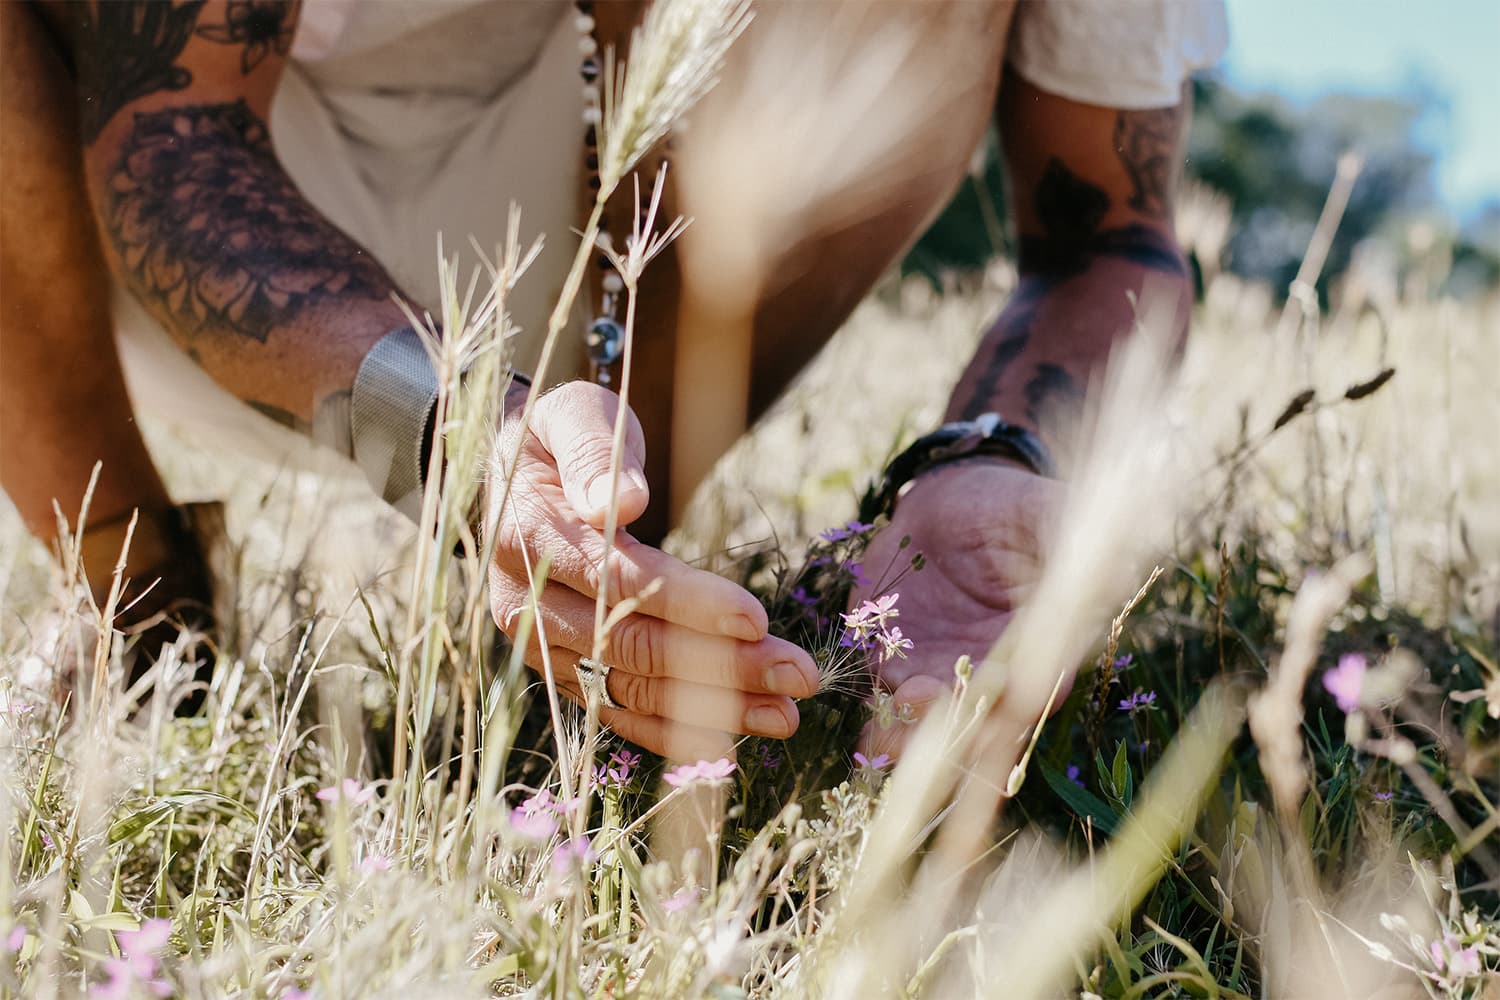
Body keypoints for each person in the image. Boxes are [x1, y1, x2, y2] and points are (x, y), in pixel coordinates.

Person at [0, 0, 1225, 759]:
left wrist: (995, 457)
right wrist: (461, 429)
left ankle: (617, 544)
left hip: (649, 237)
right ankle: (133, 589)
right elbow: (174, 135)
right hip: (103, 217)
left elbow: (1109, 234)